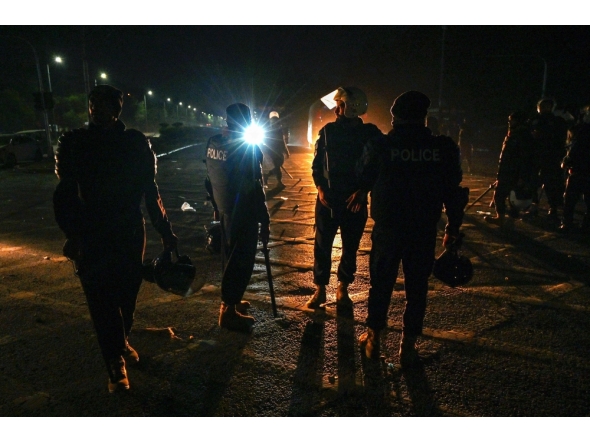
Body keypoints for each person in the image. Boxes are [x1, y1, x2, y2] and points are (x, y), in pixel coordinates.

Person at [53, 84, 178, 393]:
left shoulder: (135, 143)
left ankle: (120, 342)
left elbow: (150, 191)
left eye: (104, 104)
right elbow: (65, 193)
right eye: (92, 104)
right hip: (91, 232)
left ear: (117, 109)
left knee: (127, 297)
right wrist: (72, 234)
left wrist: (166, 231)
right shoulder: (74, 142)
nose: (97, 110)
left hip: (129, 231)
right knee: (101, 301)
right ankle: (114, 365)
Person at [356, 91, 468, 368]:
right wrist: (453, 227)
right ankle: (407, 346)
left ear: (394, 117)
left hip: (389, 228)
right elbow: (453, 191)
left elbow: (362, 175)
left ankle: (374, 340)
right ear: (424, 117)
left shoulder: (381, 145)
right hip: (423, 228)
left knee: (381, 284)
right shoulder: (442, 148)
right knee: (417, 288)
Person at [308, 86, 383, 309]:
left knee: (350, 246)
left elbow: (378, 165)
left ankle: (343, 287)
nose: (336, 109)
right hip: (328, 199)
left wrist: (363, 191)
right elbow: (317, 165)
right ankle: (320, 289)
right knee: (322, 245)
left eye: (339, 105)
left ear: (348, 108)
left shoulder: (371, 134)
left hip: (354, 201)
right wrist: (320, 188)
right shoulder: (327, 131)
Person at [205, 103, 270, 332]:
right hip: (243, 211)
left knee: (229, 258)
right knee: (241, 261)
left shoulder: (214, 141)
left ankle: (231, 301)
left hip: (225, 210)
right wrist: (265, 217)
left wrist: (216, 205)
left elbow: (209, 178)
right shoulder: (247, 147)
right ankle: (228, 311)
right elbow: (254, 185)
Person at [484, 111, 536, 228]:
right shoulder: (514, 134)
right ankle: (507, 218)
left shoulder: (522, 136)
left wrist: (522, 176)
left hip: (513, 172)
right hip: (507, 170)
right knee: (507, 196)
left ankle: (502, 218)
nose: (509, 122)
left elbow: (525, 158)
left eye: (511, 120)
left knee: (502, 196)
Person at [530, 98, 569, 222]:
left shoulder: (557, 121)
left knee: (551, 183)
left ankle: (553, 207)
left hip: (550, 157)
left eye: (547, 106)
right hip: (535, 155)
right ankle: (533, 205)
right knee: (532, 181)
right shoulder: (534, 120)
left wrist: (544, 136)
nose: (544, 109)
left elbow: (561, 139)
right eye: (542, 106)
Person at [559, 105, 590, 233]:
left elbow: (575, 148)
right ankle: (583, 225)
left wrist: (568, 160)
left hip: (579, 168)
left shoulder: (583, 130)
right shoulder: (581, 129)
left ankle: (568, 223)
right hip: (580, 168)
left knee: (571, 198)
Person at [261, 111, 290, 189]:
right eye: (273, 119)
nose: (274, 121)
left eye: (275, 119)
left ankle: (266, 176)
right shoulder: (266, 129)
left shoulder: (279, 129)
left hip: (278, 151)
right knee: (276, 167)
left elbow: (282, 140)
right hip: (270, 151)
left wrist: (286, 151)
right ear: (270, 119)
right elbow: (263, 140)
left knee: (277, 166)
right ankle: (279, 182)